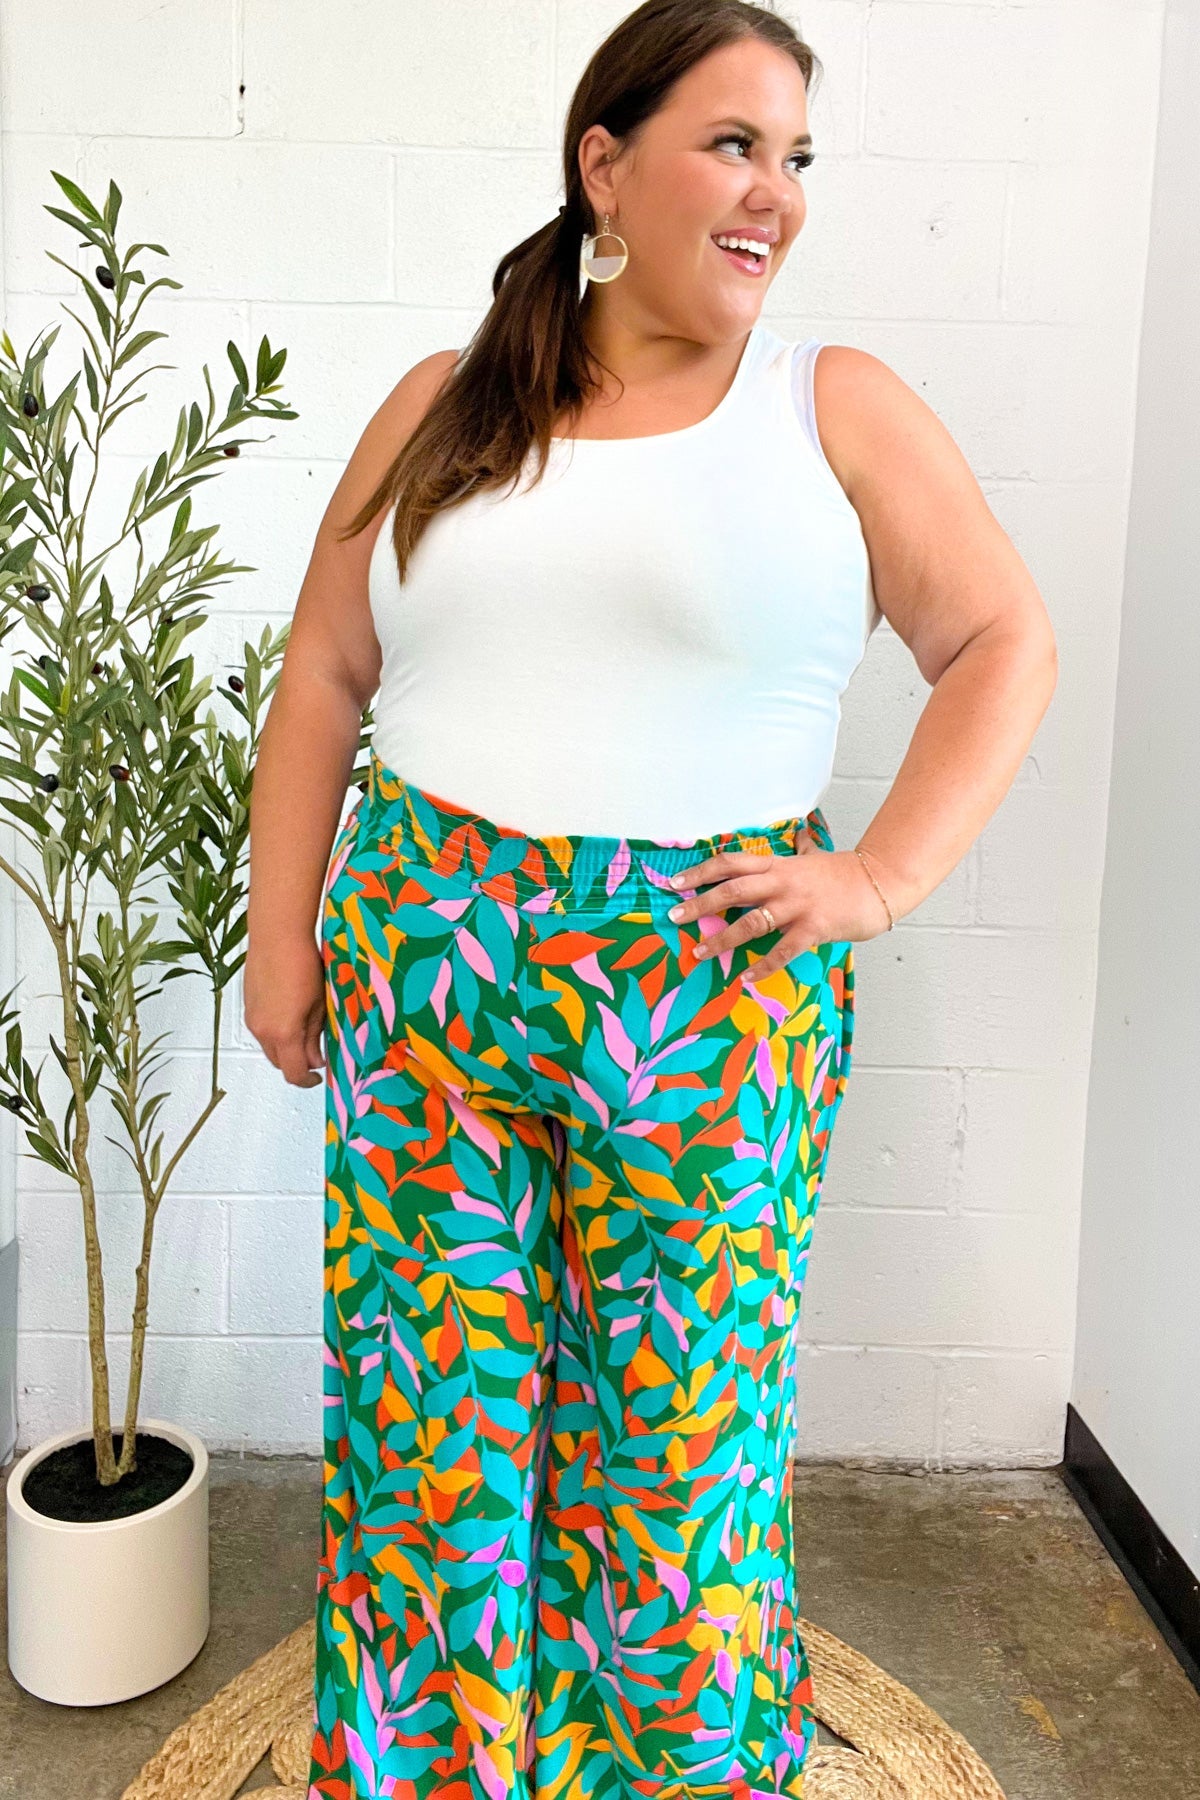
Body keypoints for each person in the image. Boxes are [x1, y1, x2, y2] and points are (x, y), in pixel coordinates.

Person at [245, 3, 1057, 1796]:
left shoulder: (833, 405)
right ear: (604, 165)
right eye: (733, 144)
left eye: (797, 157)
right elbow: (323, 671)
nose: (777, 192)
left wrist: (878, 874)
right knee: (430, 1435)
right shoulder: (442, 404)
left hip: (708, 1000)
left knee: (682, 1457)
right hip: (424, 981)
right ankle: (437, 1769)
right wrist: (278, 935)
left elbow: (1005, 638)